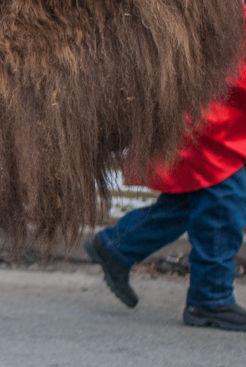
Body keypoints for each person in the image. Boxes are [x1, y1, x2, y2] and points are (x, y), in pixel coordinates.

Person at [85, 30, 246, 331]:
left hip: (212, 115)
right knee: (222, 204)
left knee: (191, 200)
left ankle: (118, 246)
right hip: (213, 121)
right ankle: (210, 299)